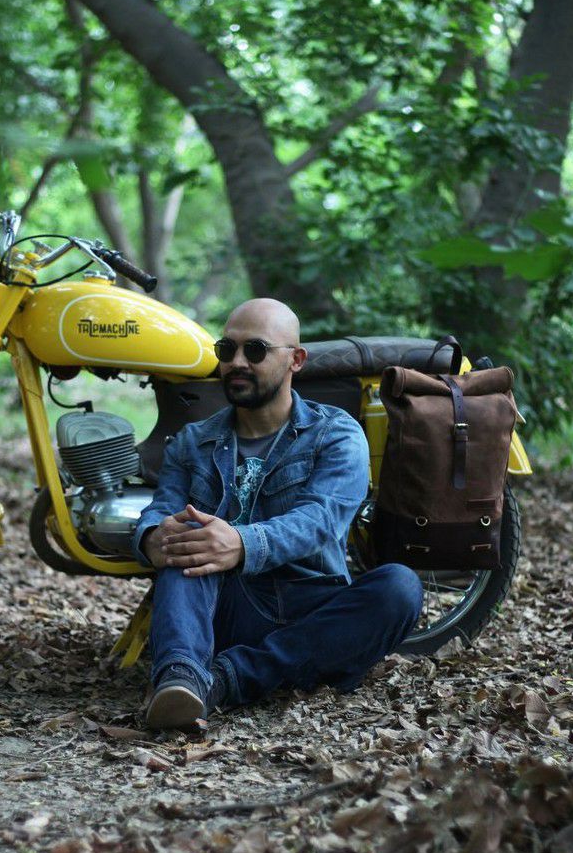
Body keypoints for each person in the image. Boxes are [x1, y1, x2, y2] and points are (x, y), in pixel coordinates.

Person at [132, 298, 423, 729]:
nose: (236, 362)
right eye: (226, 349)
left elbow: (321, 520)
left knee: (400, 587)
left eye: (255, 350)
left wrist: (241, 543)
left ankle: (221, 681)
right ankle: (181, 678)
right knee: (187, 539)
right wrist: (152, 537)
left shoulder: (336, 433)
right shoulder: (192, 441)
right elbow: (161, 510)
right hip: (227, 604)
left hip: (312, 602)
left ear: (296, 360)